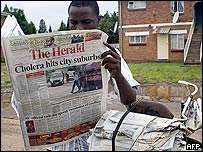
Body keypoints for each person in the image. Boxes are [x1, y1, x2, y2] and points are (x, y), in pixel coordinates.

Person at [11, 1, 174, 151]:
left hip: (91, 143)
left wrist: (118, 75)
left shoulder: (109, 53)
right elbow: (20, 104)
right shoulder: (51, 52)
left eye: (86, 22)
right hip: (58, 146)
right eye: (73, 23)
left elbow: (130, 100)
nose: (79, 29)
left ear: (98, 20)